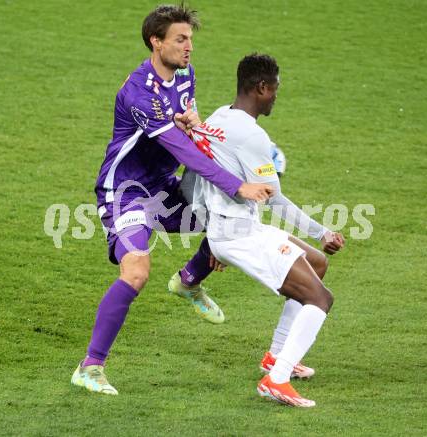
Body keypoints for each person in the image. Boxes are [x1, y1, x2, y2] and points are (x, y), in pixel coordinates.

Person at [71, 5, 273, 396]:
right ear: (156, 41)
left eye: (191, 39)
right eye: (181, 39)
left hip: (164, 185)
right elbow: (183, 150)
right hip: (127, 192)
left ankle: (189, 281)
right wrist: (236, 184)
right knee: (136, 272)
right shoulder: (138, 92)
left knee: (233, 217)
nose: (189, 47)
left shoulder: (185, 74)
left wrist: (193, 122)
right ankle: (90, 367)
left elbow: (188, 125)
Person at [188, 53, 344, 407]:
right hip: (239, 235)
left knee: (316, 264)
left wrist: (209, 235)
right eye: (275, 88)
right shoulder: (252, 136)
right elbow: (274, 199)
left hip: (232, 229)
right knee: (321, 299)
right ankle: (276, 379)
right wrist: (321, 231)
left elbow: (198, 176)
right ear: (261, 87)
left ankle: (276, 356)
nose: (276, 95)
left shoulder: (217, 117)